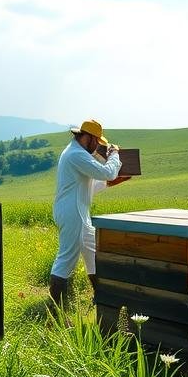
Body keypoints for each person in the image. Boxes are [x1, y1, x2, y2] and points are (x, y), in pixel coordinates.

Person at [49, 118, 129, 305]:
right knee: (66, 259)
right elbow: (107, 172)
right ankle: (55, 310)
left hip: (75, 211)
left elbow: (88, 186)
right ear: (90, 138)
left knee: (94, 256)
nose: (97, 147)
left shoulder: (75, 153)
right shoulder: (77, 155)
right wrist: (114, 154)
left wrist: (113, 181)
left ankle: (101, 299)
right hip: (73, 212)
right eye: (97, 142)